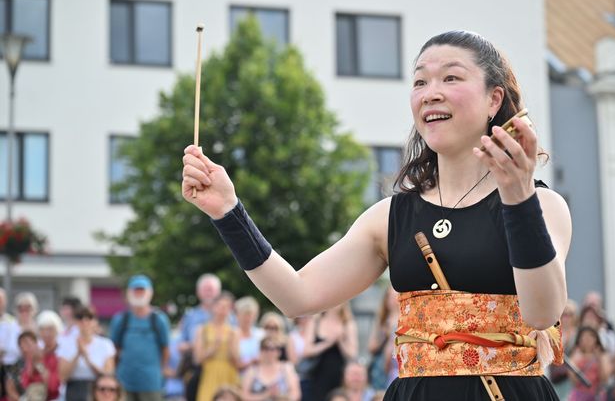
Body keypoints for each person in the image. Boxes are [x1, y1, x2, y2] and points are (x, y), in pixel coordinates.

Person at [181, 29, 571, 400]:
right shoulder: (389, 216)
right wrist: (228, 211)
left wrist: (517, 195)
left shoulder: (541, 206)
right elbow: (296, 296)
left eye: (451, 78)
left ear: (494, 99)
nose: (431, 93)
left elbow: (542, 313)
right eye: (420, 82)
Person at [109, 275, 171, 401]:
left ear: (150, 293)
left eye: (142, 290)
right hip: (124, 381)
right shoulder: (120, 320)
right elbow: (113, 349)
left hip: (151, 383)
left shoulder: (159, 320)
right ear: (129, 293)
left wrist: (158, 372)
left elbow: (165, 349)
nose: (138, 293)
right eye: (135, 290)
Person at [180, 274, 224, 401]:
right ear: (198, 292)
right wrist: (199, 346)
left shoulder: (230, 317)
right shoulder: (190, 316)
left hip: (221, 369)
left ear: (218, 292)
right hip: (196, 370)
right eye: (205, 289)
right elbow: (180, 345)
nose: (209, 293)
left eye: (211, 289)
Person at [58, 306, 116, 401]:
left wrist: (86, 357)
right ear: (76, 322)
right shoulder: (66, 344)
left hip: (97, 389)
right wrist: (77, 354)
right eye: (80, 318)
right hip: (74, 389)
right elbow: (63, 376)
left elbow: (107, 375)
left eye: (89, 317)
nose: (84, 322)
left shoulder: (106, 344)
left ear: (95, 321)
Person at [303, 304, 358, 401]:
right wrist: (327, 343)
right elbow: (307, 350)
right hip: (318, 375)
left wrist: (340, 341)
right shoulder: (316, 321)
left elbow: (352, 353)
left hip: (339, 374)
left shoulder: (347, 323)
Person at [195, 293, 240, 401]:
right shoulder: (202, 330)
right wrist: (213, 348)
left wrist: (230, 346)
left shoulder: (233, 332)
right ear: (213, 307)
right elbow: (198, 359)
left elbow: (237, 361)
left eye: (226, 307)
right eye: (220, 306)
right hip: (209, 375)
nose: (223, 310)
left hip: (228, 374)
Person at [5, 330, 60, 401]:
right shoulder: (18, 364)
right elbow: (10, 386)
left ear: (36, 343)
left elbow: (52, 385)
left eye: (27, 344)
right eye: (21, 346)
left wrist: (38, 364)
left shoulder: (49, 357)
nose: (25, 349)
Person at [241, 337, 300, 401]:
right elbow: (244, 396)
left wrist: (280, 396)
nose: (269, 352)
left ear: (279, 351)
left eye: (273, 348)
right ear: (260, 350)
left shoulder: (286, 368)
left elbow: (295, 394)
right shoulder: (252, 370)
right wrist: (265, 395)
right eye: (266, 348)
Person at [365, 286, 399, 390]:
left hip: (396, 365)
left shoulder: (406, 318)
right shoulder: (382, 320)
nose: (393, 300)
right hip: (381, 367)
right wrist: (385, 334)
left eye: (395, 296)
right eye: (390, 297)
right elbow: (371, 346)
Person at [566, 326, 610, 401]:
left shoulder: (602, 355)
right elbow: (574, 381)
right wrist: (577, 360)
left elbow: (604, 379)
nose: (587, 339)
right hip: (579, 396)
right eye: (584, 336)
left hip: (596, 395)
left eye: (591, 336)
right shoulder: (575, 355)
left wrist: (600, 360)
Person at [36, 311, 63, 400]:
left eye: (50, 329)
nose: (46, 333)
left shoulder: (62, 353)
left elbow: (55, 384)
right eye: (43, 329)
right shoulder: (36, 353)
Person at [234, 297, 264, 374]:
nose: (247, 319)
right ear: (237, 315)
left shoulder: (261, 334)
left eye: (250, 315)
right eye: (245, 315)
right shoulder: (232, 335)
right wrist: (252, 361)